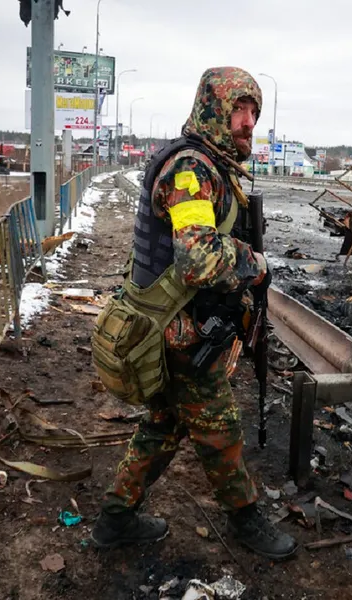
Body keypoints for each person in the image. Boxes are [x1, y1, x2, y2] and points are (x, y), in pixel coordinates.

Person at [91, 67, 298, 560]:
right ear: (213, 111)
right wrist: (258, 263)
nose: (248, 123)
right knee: (219, 425)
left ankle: (113, 520)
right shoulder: (191, 169)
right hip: (174, 329)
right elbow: (199, 256)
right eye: (238, 111)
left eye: (254, 113)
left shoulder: (212, 164)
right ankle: (247, 520)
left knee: (165, 422)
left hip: (175, 323)